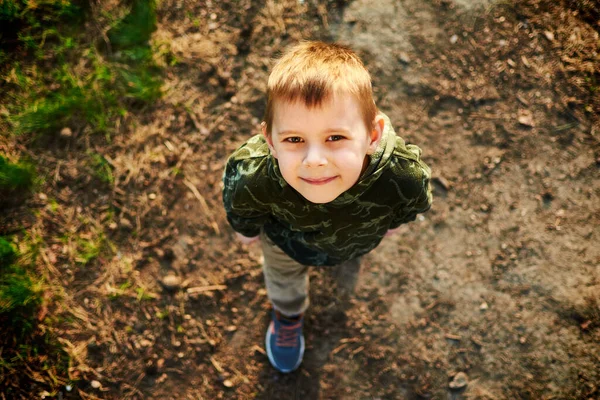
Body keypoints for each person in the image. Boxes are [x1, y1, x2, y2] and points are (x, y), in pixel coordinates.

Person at [222, 41, 432, 373]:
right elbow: (240, 203)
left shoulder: (400, 174)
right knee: (283, 280)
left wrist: (392, 223)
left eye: (335, 138)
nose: (315, 161)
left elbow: (414, 201)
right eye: (294, 140)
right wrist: (246, 230)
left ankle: (346, 257)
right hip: (285, 244)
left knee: (348, 251)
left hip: (356, 237)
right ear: (271, 141)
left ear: (372, 134)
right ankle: (289, 315)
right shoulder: (255, 176)